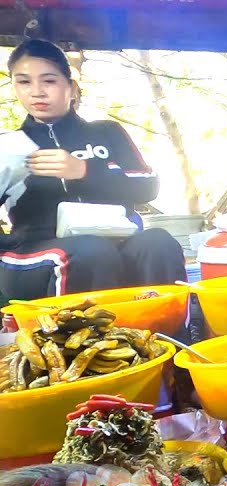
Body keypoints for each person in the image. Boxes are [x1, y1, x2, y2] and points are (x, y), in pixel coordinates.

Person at [0, 39, 185, 301]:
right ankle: (78, 328)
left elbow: (147, 186)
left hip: (115, 240)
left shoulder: (106, 133)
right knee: (91, 251)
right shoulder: (8, 146)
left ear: (71, 87)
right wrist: (9, 245)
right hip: (36, 251)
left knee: (157, 242)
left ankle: (164, 326)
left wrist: (85, 171)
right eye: (24, 82)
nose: (37, 92)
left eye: (49, 81)